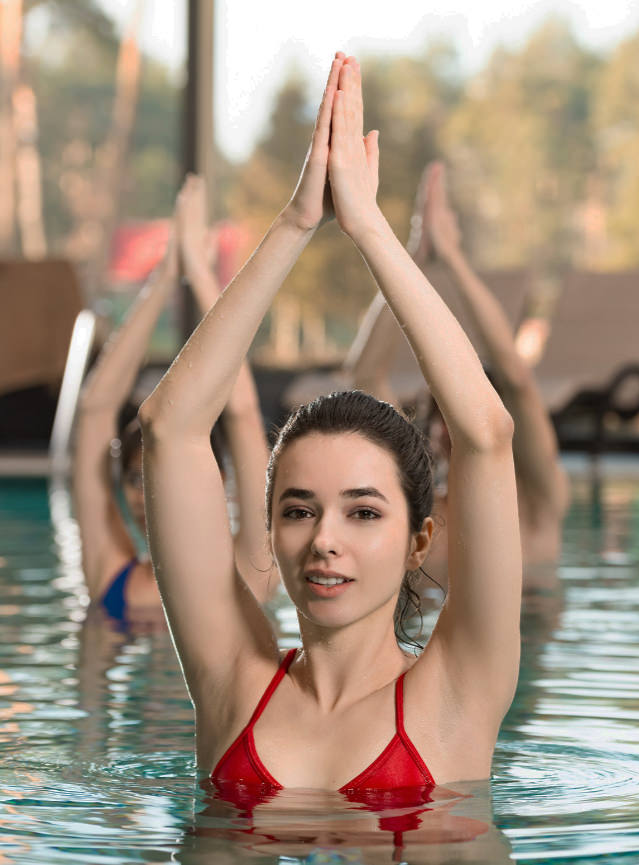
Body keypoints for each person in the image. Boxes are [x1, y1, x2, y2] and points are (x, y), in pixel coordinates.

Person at [137, 54, 521, 793]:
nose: (324, 540)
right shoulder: (233, 680)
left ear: (420, 539)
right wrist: (295, 222)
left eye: (363, 510)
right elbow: (170, 429)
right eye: (299, 509)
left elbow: (486, 434)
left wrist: (372, 229)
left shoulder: (458, 694)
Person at [71, 177, 272, 627]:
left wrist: (199, 274)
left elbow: (240, 413)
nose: (150, 495)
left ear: (221, 482)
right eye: (136, 481)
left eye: (163, 476)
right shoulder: (111, 576)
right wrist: (163, 278)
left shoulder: (250, 572)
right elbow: (95, 410)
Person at [350, 161, 568, 574]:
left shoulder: (538, 500)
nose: (452, 426)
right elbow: (364, 377)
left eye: (464, 413)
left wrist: (452, 258)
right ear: (431, 434)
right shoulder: (421, 512)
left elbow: (516, 378)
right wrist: (409, 257)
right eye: (442, 416)